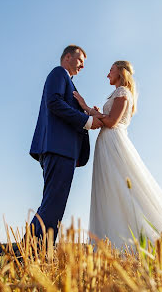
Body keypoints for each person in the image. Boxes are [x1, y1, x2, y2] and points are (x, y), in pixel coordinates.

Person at [73, 61, 162, 251]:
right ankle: (112, 245)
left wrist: (88, 108)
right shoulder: (118, 93)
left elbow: (111, 122)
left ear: (120, 71)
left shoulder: (123, 93)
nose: (107, 74)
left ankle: (138, 245)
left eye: (110, 70)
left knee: (123, 188)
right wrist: (97, 113)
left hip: (113, 143)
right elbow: (108, 118)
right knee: (110, 191)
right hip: (106, 144)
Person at [28, 45, 104, 243]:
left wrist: (86, 112)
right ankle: (32, 253)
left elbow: (66, 108)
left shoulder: (69, 83)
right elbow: (54, 103)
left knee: (52, 203)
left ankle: (31, 251)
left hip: (63, 150)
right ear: (68, 57)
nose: (82, 66)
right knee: (53, 204)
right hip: (58, 148)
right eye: (80, 61)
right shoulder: (58, 73)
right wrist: (87, 121)